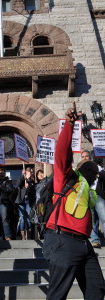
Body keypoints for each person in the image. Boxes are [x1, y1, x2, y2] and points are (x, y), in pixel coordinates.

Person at [42, 102, 105, 300]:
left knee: (97, 289)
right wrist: (70, 126)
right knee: (57, 295)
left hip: (84, 244)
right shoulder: (67, 177)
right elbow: (62, 154)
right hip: (63, 241)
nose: (96, 177)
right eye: (94, 174)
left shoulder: (89, 191)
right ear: (87, 171)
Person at [15, 167, 35, 240]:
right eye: (29, 171)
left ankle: (28, 235)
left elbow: (32, 191)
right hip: (22, 201)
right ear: (26, 172)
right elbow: (18, 184)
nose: (31, 173)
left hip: (29, 201)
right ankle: (23, 236)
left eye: (32, 172)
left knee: (29, 218)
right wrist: (22, 176)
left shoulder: (32, 182)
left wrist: (28, 182)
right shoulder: (22, 179)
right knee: (22, 218)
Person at [90, 157, 105, 248]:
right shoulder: (87, 170)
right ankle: (95, 240)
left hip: (99, 195)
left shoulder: (101, 171)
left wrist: (99, 173)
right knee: (93, 219)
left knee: (103, 218)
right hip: (90, 195)